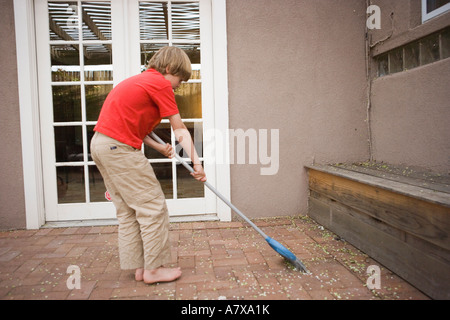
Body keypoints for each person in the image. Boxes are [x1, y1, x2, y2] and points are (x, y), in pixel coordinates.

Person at [90, 46, 206, 284]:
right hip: (118, 149)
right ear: (168, 69)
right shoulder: (160, 84)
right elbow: (179, 128)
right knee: (152, 206)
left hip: (102, 144)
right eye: (180, 78)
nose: (179, 85)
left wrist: (159, 147)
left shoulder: (139, 81)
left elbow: (134, 127)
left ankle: (140, 267)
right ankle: (154, 269)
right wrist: (197, 162)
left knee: (129, 210)